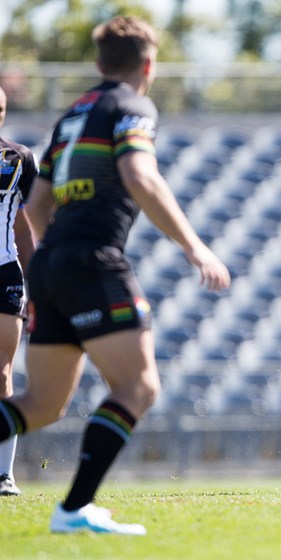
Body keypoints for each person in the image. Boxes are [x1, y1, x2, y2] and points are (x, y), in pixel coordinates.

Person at [0, 16, 230, 534]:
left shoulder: (74, 113)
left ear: (99, 63)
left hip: (51, 263)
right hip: (93, 260)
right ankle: (74, 509)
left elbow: (37, 204)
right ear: (148, 66)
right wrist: (195, 248)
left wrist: (59, 258)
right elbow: (139, 174)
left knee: (41, 405)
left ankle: (75, 510)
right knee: (139, 386)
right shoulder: (132, 107)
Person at [0, 86, 38, 497]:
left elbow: (24, 225)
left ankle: (3, 474)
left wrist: (38, 283)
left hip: (4, 272)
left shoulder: (19, 158)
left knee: (2, 372)